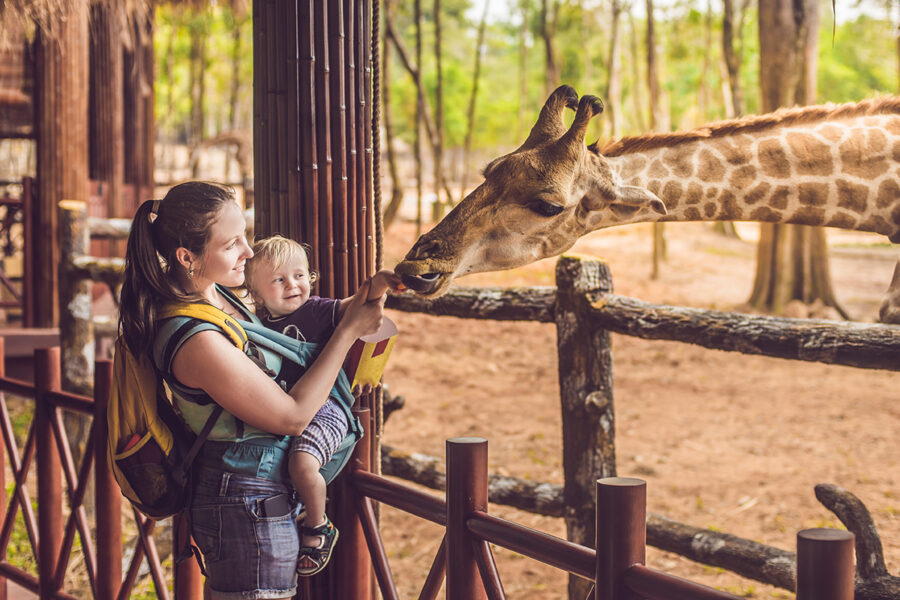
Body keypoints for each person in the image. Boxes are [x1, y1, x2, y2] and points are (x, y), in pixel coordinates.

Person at [118, 181, 386, 599]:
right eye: (232, 244)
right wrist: (349, 332)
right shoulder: (194, 337)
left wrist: (365, 298)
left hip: (261, 493)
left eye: (246, 235)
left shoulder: (217, 293)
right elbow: (292, 416)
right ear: (187, 257)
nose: (248, 251)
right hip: (245, 505)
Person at [243, 235, 402, 576]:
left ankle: (318, 526)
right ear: (256, 294)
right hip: (285, 408)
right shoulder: (254, 326)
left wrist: (380, 283)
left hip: (326, 407)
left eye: (300, 275)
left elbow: (358, 303)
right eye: (278, 279)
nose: (293, 285)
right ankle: (298, 508)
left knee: (302, 465)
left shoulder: (316, 311)